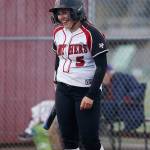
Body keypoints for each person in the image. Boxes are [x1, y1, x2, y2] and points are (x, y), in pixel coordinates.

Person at [48, 0, 108, 150]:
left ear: (77, 11)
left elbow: (101, 67)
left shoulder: (92, 33)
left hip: (85, 90)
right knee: (68, 139)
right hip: (63, 89)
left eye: (65, 12)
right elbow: (58, 58)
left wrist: (91, 95)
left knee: (89, 141)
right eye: (59, 13)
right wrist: (56, 82)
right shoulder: (57, 32)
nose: (62, 17)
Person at [101, 65, 145, 131]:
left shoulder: (124, 78)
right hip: (108, 109)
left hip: (124, 108)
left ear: (109, 73)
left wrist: (130, 97)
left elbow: (139, 90)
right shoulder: (99, 85)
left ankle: (125, 131)